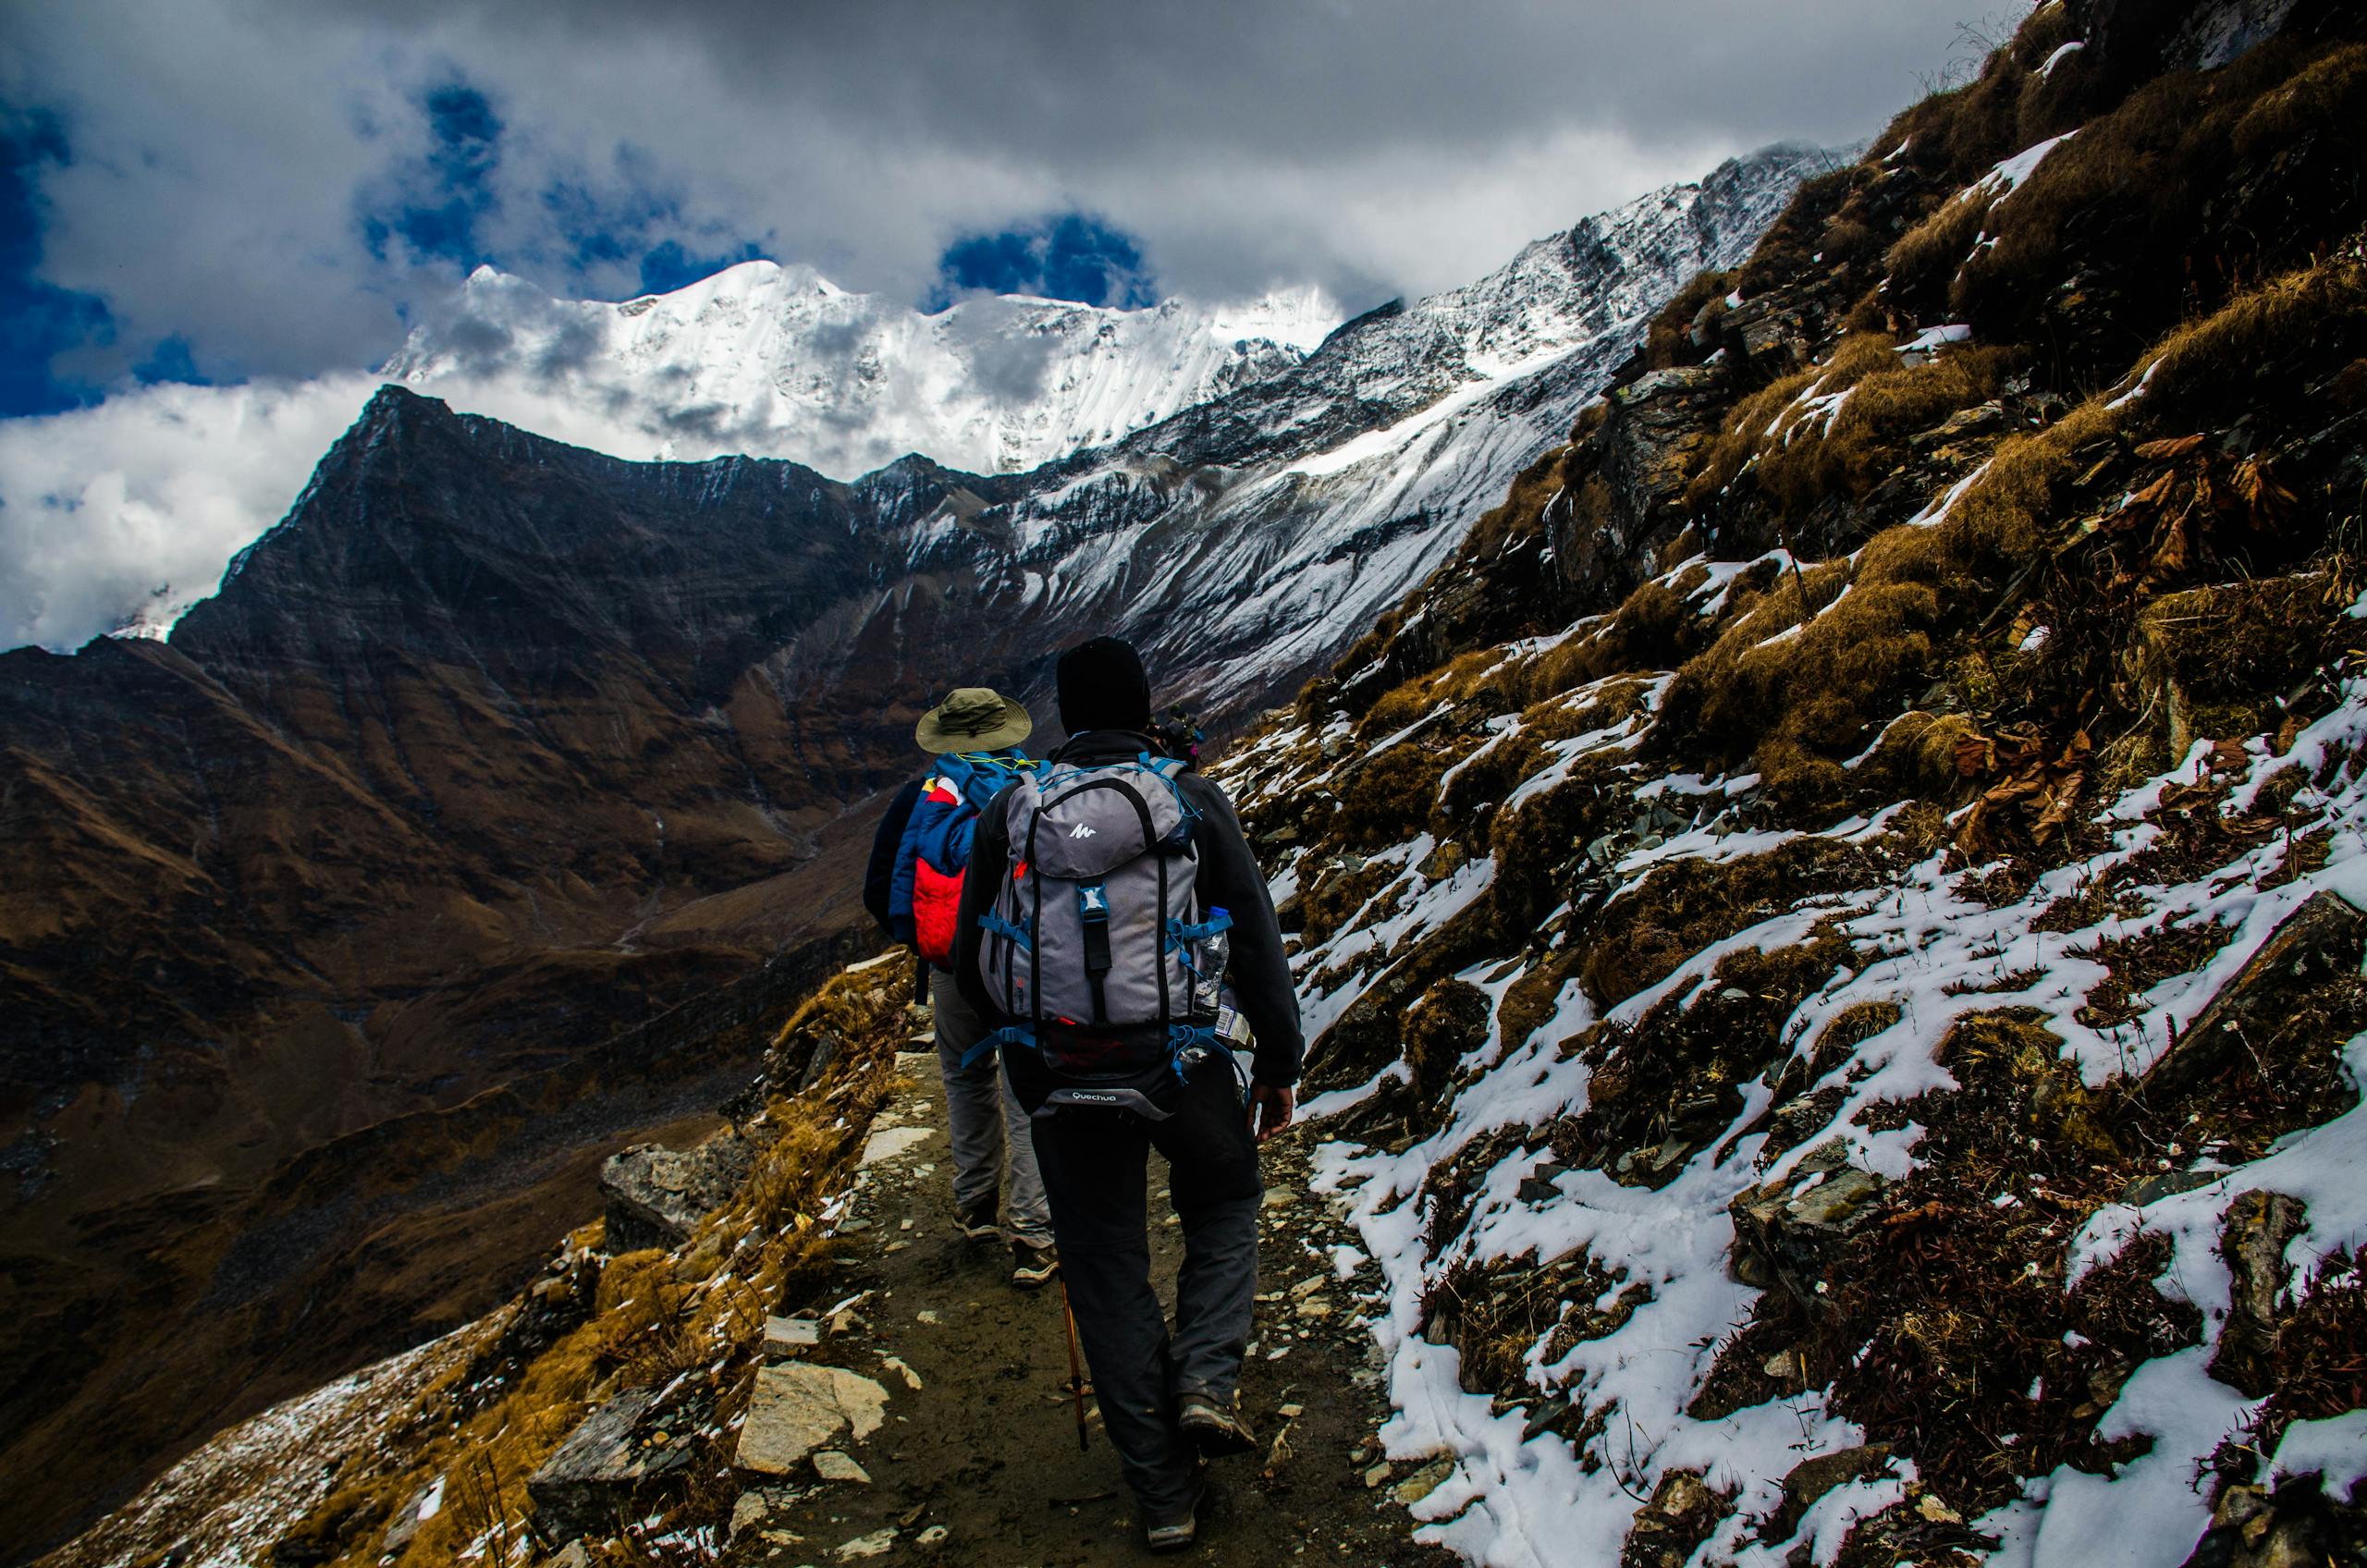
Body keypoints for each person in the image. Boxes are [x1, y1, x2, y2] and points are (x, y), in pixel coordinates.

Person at [953, 637, 1302, 1552]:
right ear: (1144, 706)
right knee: (1225, 1202)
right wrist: (1277, 1059)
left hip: (1062, 1076)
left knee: (1106, 1270)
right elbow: (1255, 936)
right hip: (1180, 1064)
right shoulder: (1188, 800)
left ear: (1066, 717)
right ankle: (1205, 1383)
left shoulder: (1011, 812)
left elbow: (970, 959)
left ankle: (1162, 1498)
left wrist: (1026, 1062)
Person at [873, 686, 1059, 1290]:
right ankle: (1034, 1234)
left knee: (964, 1077)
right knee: (1027, 1088)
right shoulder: (1040, 786)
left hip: (952, 966)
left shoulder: (924, 797)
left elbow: (881, 887)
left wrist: (925, 940)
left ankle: (976, 1207)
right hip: (1023, 964)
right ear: (1007, 731)